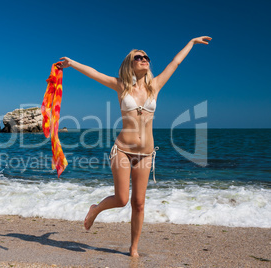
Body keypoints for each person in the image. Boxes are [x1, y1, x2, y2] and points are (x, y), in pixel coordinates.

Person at [58, 36, 212, 257]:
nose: (144, 59)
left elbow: (175, 63)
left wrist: (191, 42)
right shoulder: (121, 86)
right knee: (122, 200)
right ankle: (96, 209)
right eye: (138, 57)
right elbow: (95, 73)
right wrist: (72, 64)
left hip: (146, 154)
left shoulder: (155, 86)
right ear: (131, 63)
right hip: (122, 150)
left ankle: (134, 248)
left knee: (139, 203)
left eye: (146, 57)